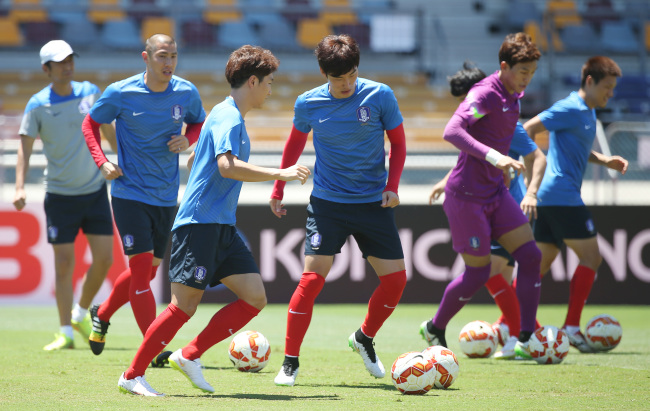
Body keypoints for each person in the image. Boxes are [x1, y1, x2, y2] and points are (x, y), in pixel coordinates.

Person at [117, 45, 310, 397]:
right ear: (253, 81)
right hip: (199, 226)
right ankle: (132, 376)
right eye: (268, 82)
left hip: (221, 226)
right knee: (182, 307)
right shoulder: (229, 117)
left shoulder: (224, 114)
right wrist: (279, 172)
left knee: (254, 298)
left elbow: (198, 163)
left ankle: (189, 355)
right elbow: (226, 166)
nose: (271, 89)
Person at [270, 34, 408, 387]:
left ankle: (363, 337)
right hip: (328, 203)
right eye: (338, 79)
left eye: (351, 76)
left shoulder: (380, 95)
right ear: (323, 73)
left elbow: (399, 143)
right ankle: (290, 362)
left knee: (395, 282)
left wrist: (393, 187)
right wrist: (278, 188)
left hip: (373, 203)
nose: (346, 84)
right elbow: (294, 145)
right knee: (312, 279)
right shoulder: (308, 103)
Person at [81, 34, 206, 360]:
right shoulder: (121, 92)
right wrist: (103, 161)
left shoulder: (185, 91)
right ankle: (155, 347)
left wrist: (187, 140)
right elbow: (90, 124)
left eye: (174, 56)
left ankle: (103, 313)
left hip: (165, 197)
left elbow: (198, 122)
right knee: (140, 271)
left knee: (147, 272)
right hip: (129, 193)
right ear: (146, 57)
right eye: (163, 55)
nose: (169, 62)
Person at [418, 32, 543, 358]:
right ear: (504, 66)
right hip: (466, 199)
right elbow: (452, 131)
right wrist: (495, 157)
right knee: (478, 272)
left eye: (531, 72)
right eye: (522, 72)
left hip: (496, 194)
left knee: (530, 257)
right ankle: (434, 328)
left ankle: (527, 336)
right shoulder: (486, 93)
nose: (526, 79)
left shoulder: (514, 95)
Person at [14, 40, 115, 351]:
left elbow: (108, 130)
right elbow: (24, 147)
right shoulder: (37, 104)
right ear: (46, 69)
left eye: (71, 59)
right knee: (63, 265)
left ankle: (80, 312)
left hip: (95, 190)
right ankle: (64, 332)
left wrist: (120, 159)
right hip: (59, 195)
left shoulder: (90, 92)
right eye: (60, 62)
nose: (68, 66)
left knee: (104, 260)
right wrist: (19, 185)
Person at [523, 56, 627, 353]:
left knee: (537, 267)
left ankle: (512, 325)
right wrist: (531, 182)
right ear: (590, 81)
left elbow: (578, 148)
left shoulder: (587, 112)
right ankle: (570, 328)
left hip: (552, 197)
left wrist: (603, 158)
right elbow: (529, 128)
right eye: (607, 87)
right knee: (591, 258)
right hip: (562, 197)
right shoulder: (571, 107)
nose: (611, 93)